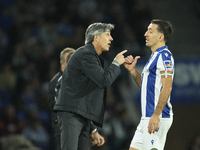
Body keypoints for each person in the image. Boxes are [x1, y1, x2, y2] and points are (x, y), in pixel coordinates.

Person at [54, 22, 128, 150]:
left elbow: (84, 94)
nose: (111, 38)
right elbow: (104, 80)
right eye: (107, 35)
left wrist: (92, 129)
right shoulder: (86, 54)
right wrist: (116, 63)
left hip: (81, 116)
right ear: (96, 38)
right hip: (71, 114)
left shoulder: (91, 57)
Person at [124, 19, 174, 150]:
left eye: (150, 31)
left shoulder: (164, 56)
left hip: (156, 116)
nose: (145, 34)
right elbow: (145, 87)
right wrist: (133, 71)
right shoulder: (154, 57)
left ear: (161, 37)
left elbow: (167, 86)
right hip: (146, 117)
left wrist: (156, 114)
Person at [48, 48, 105, 150]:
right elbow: (59, 109)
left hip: (81, 127)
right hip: (64, 129)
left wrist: (93, 130)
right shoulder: (56, 82)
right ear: (62, 63)